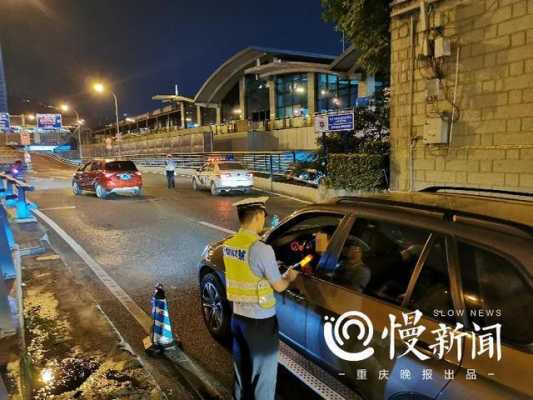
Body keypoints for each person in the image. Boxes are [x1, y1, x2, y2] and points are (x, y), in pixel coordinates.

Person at [223, 196, 299, 400]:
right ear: (258, 216)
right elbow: (279, 286)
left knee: (242, 370)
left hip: (237, 318)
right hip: (260, 323)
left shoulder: (230, 245)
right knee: (263, 376)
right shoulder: (261, 250)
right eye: (263, 216)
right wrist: (289, 277)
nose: (264, 220)